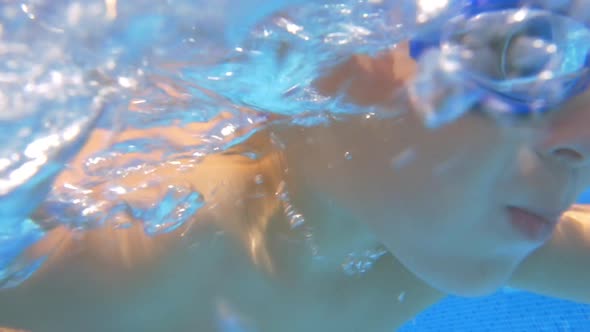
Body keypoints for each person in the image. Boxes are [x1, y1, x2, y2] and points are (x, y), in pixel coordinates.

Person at [1, 27, 590, 332]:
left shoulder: (433, 237)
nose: (582, 140)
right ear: (343, 57)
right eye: (525, 60)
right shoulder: (115, 233)